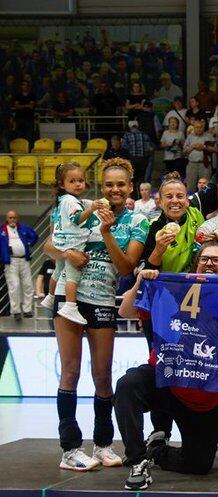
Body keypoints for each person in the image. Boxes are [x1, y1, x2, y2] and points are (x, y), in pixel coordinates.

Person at [115, 243, 218, 489]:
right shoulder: (171, 288)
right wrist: (140, 282)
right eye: (205, 258)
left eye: (217, 260)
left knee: (199, 464)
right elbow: (125, 310)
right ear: (196, 265)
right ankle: (137, 460)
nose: (210, 263)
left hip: (200, 400)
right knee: (127, 385)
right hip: (167, 380)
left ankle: (157, 452)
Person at [42, 159, 147, 471]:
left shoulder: (138, 220)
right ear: (103, 188)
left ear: (130, 187)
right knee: (70, 372)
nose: (115, 189)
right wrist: (66, 254)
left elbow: (127, 268)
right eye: (109, 184)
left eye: (121, 184)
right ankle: (70, 448)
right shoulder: (77, 207)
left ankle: (102, 444)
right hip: (69, 296)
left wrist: (106, 232)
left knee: (102, 376)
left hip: (103, 299)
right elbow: (50, 244)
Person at [41, 163, 103, 325]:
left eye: (80, 180)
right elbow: (77, 218)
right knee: (72, 278)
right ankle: (70, 305)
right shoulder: (72, 202)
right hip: (73, 246)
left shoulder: (63, 200)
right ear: (62, 184)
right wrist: (92, 209)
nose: (77, 184)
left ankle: (50, 297)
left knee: (58, 271)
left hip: (61, 242)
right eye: (72, 181)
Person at [1, 209, 38, 320]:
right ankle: (16, 311)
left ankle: (27, 309)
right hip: (10, 262)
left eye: (14, 217)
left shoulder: (23, 227)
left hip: (24, 260)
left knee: (28, 285)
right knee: (14, 286)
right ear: (7, 219)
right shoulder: (2, 230)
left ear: (17, 218)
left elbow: (35, 236)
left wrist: (29, 243)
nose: (12, 220)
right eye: (10, 218)